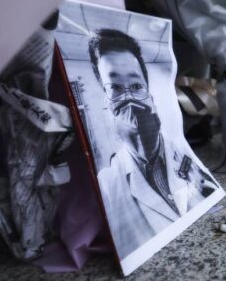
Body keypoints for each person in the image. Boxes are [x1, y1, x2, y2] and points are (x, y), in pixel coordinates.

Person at [88, 28, 218, 258]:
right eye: (116, 88)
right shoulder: (108, 185)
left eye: (137, 87)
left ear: (149, 93)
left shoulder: (182, 153)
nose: (129, 98)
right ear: (105, 100)